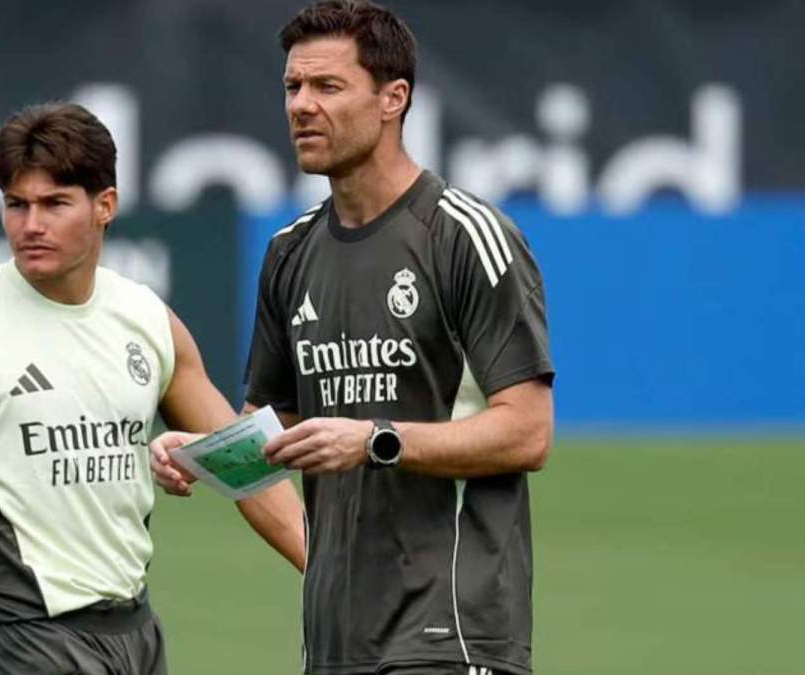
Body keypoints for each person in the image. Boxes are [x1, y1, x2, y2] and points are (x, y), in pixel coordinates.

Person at [0, 102, 305, 675]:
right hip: (23, 640)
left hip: (136, 636)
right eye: (16, 205)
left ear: (105, 207)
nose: (30, 224)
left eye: (54, 204)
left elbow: (243, 465)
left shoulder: (146, 319)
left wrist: (326, 577)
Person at [150, 2, 555, 674]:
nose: (302, 106)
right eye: (292, 88)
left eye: (327, 87)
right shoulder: (290, 252)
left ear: (394, 98)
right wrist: (204, 455)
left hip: (450, 633)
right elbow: (275, 432)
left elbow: (528, 432)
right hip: (334, 640)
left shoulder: (464, 236)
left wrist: (375, 439)